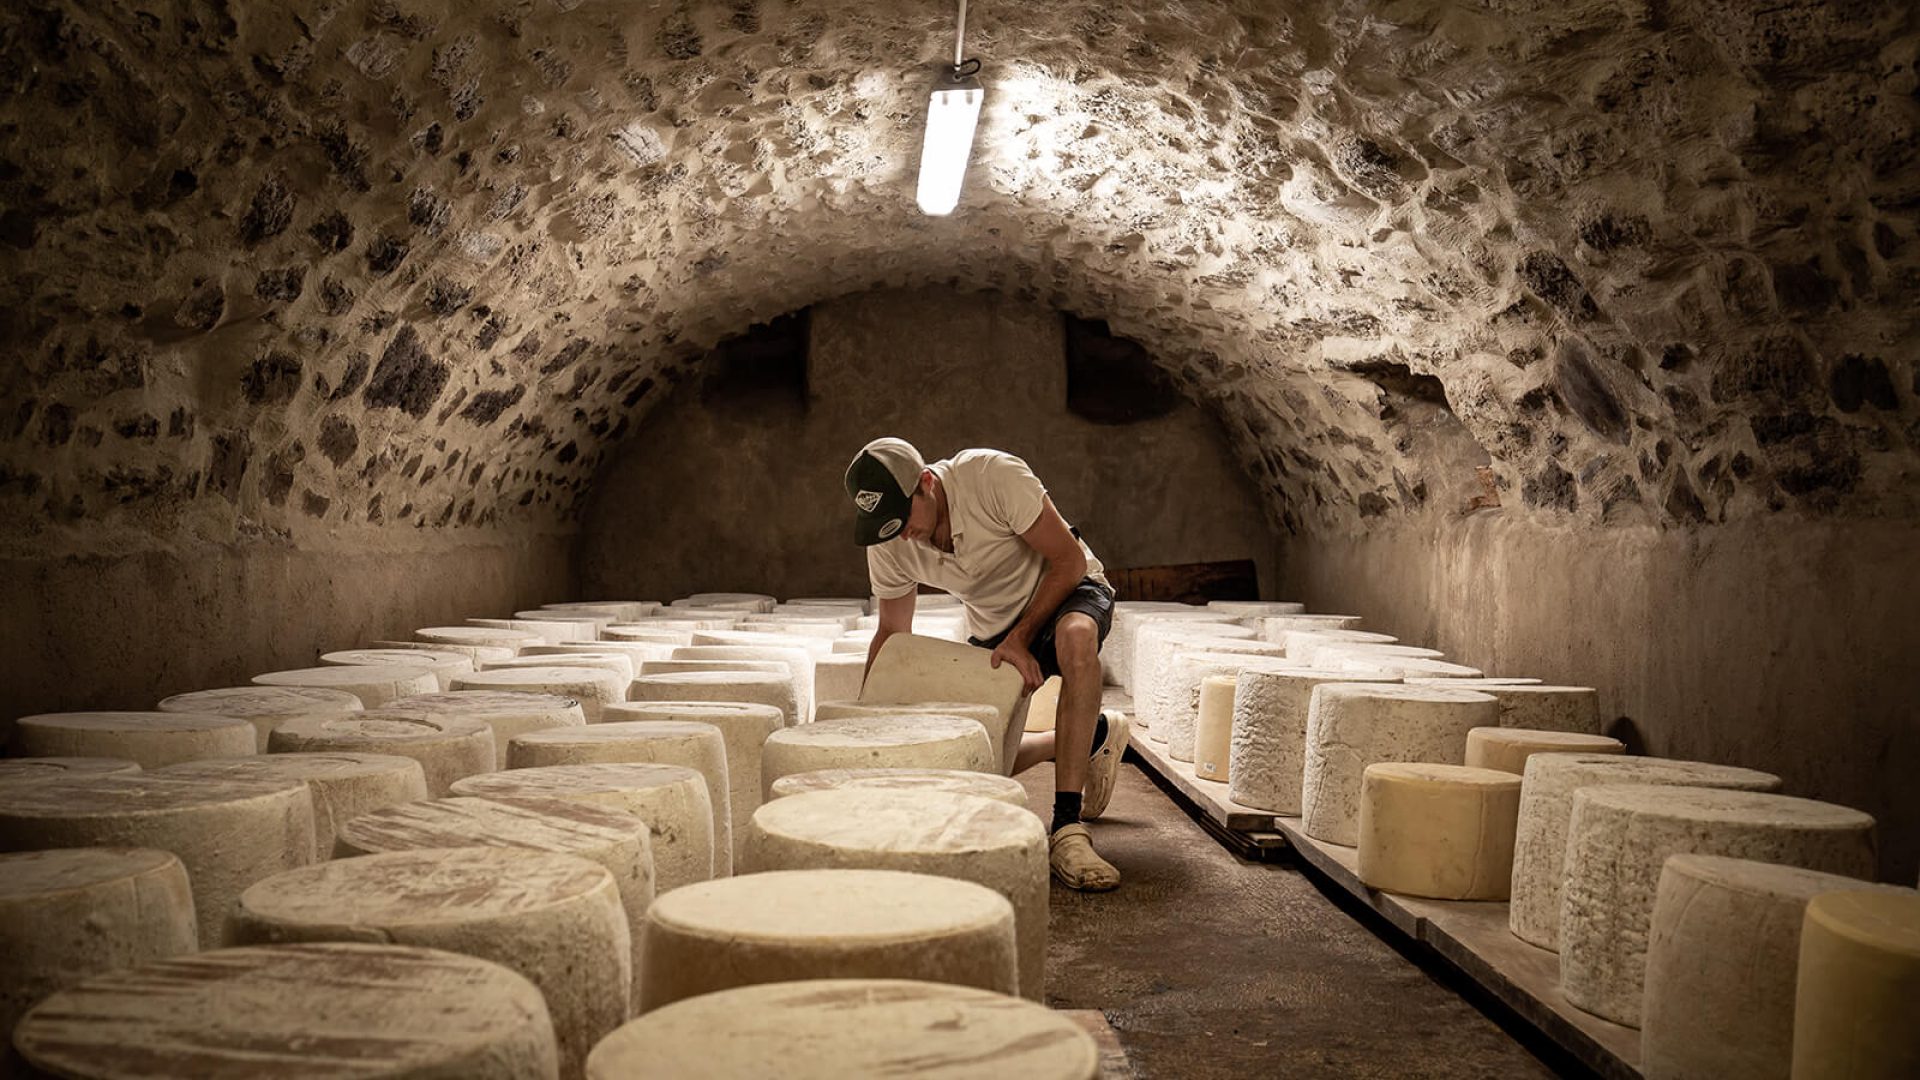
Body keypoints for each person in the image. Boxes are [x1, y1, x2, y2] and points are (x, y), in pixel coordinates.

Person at [845, 436, 1130, 891]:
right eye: (885, 525)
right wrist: (861, 725)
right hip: (995, 629)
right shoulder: (890, 538)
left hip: (1068, 592)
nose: (900, 534)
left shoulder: (990, 476)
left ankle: (1067, 828)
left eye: (902, 518)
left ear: (925, 483)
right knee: (967, 757)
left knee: (1076, 638)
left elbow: (1068, 560)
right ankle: (1083, 737)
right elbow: (892, 633)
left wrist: (1022, 637)